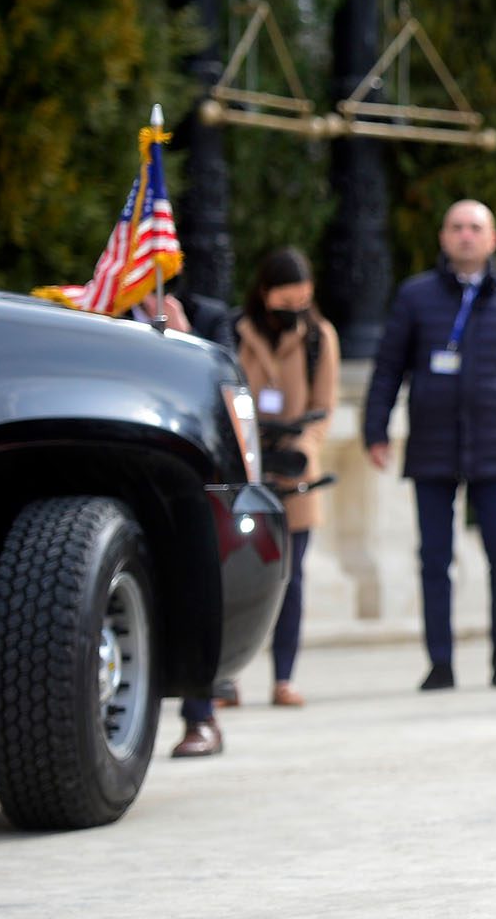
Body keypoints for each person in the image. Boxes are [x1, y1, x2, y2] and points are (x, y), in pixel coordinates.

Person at [364, 200, 496, 691]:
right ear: (443, 238)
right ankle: (441, 662)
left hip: (494, 445)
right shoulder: (415, 297)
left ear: (492, 239)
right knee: (433, 557)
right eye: (456, 227)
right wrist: (375, 428)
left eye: (475, 228)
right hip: (432, 444)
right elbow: (389, 367)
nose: (466, 236)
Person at [172, 250, 340, 756]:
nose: (296, 304)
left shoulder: (318, 338)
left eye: (303, 295)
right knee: (236, 578)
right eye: (286, 295)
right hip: (244, 470)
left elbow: (323, 408)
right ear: (265, 291)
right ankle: (228, 681)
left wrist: (302, 451)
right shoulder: (236, 330)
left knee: (291, 579)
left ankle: (283, 677)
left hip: (295, 477)